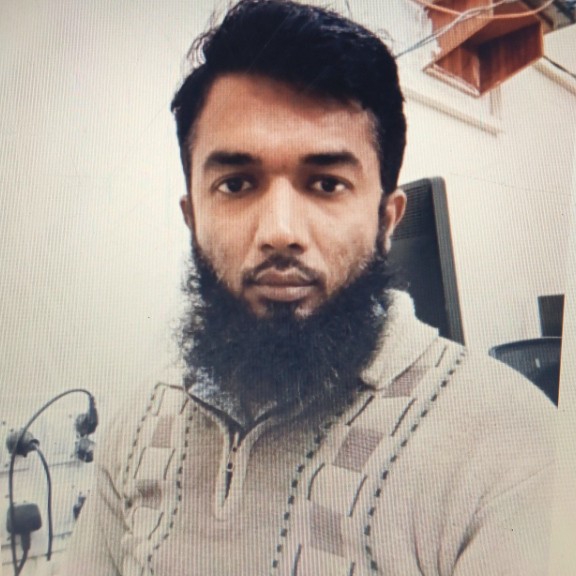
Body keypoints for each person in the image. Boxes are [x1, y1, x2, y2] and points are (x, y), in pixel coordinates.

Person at [64, 1, 556, 574]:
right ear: (193, 217)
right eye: (237, 184)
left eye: (325, 183)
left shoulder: (510, 444)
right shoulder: (135, 426)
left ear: (387, 221)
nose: (279, 232)